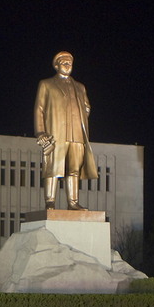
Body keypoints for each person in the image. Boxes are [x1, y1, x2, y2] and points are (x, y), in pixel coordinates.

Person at [34, 51, 99, 210]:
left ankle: (73, 202)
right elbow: (39, 109)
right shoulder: (46, 84)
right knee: (53, 168)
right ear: (56, 65)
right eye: (64, 62)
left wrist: (85, 110)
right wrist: (40, 132)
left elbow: (87, 107)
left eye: (70, 62)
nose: (68, 65)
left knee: (74, 168)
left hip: (76, 134)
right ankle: (50, 201)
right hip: (56, 134)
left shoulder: (80, 87)